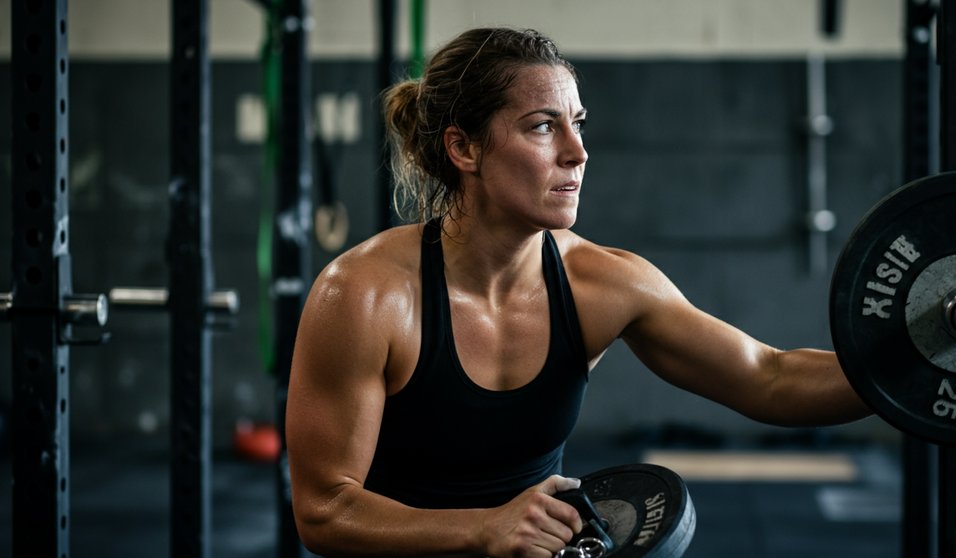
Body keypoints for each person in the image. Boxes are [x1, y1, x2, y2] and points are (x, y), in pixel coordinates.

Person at [285, 27, 871, 558]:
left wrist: (920, 362)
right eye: (543, 126)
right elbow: (325, 510)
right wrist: (482, 527)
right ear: (463, 149)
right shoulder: (366, 297)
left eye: (578, 123)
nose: (578, 152)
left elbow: (770, 376)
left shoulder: (604, 283)